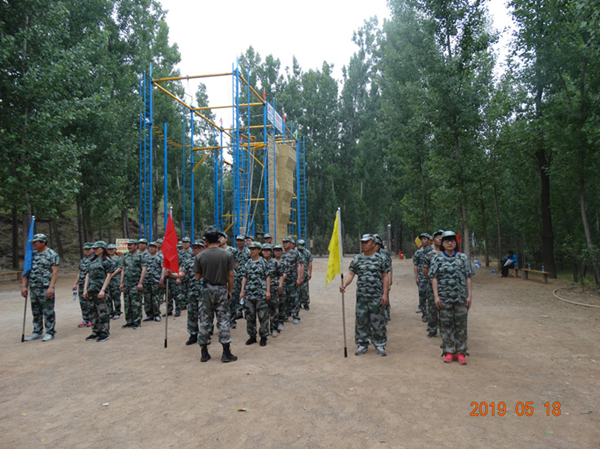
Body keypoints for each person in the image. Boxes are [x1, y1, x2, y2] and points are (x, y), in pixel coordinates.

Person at [340, 234, 390, 356]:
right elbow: (351, 273)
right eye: (362, 242)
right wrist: (344, 284)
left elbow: (385, 276)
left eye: (366, 242)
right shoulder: (357, 259)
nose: (364, 244)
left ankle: (379, 344)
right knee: (361, 320)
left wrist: (385, 294)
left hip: (376, 296)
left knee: (378, 321)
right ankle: (362, 344)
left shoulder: (381, 259)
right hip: (362, 296)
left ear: (373, 243)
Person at [430, 231, 474, 365]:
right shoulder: (437, 258)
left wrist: (469, 296)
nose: (450, 243)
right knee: (446, 326)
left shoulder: (463, 258)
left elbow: (468, 277)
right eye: (447, 241)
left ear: (456, 243)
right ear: (442, 243)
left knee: (461, 326)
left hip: (460, 297)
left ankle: (460, 352)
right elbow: (434, 278)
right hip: (444, 298)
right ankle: (448, 351)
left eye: (452, 240)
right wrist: (436, 296)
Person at [194, 226, 237, 363]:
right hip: (221, 289)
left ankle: (204, 352)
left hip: (206, 290)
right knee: (223, 320)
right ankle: (226, 352)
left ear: (205, 240)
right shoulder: (227, 255)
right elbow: (231, 275)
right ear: (218, 239)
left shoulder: (200, 256)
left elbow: (197, 276)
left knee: (205, 320)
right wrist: (229, 291)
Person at [22, 234, 60, 342]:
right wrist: (24, 286)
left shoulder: (52, 254)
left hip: (45, 286)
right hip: (34, 287)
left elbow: (55, 272)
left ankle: (50, 332)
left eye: (35, 242)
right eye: (33, 242)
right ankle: (37, 331)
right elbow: (25, 271)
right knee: (36, 311)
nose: (33, 244)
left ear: (43, 242)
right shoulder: (31, 255)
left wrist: (51, 287)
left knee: (48, 310)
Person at [240, 242, 272, 346]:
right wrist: (242, 291)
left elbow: (267, 277)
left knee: (263, 316)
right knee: (250, 316)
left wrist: (268, 291)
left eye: (254, 249)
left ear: (259, 250)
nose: (252, 251)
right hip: (249, 294)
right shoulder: (248, 263)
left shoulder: (264, 262)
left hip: (261, 294)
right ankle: (252, 336)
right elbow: (244, 277)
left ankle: (263, 336)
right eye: (250, 249)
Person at [83, 241, 114, 342]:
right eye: (94, 248)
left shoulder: (107, 261)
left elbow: (109, 275)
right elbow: (87, 275)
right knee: (92, 312)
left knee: (103, 312)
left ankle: (104, 333)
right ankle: (95, 331)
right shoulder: (92, 261)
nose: (95, 250)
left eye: (97, 248)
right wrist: (85, 289)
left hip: (101, 289)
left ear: (102, 249)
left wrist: (103, 290)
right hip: (91, 289)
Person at [120, 239, 147, 329]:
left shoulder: (141, 256)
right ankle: (129, 321)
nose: (129, 246)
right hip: (126, 284)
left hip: (135, 283)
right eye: (128, 245)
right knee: (127, 303)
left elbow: (144, 269)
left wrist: (140, 283)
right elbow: (123, 270)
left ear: (136, 246)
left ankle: (137, 322)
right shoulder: (126, 256)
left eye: (131, 245)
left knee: (136, 303)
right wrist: (121, 283)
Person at [423, 230, 444, 338]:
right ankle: (432, 328)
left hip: (446, 287)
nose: (440, 238)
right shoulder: (429, 255)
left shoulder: (448, 254)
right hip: (432, 286)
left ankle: (445, 329)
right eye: (437, 237)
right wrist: (432, 279)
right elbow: (425, 270)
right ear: (433, 240)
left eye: (442, 237)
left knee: (445, 309)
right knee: (432, 308)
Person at [261, 244, 285, 337]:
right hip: (261, 290)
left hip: (273, 289)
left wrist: (280, 285)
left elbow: (281, 275)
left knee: (274, 310)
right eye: (264, 250)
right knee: (263, 311)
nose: (266, 252)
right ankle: (264, 330)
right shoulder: (259, 262)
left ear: (270, 252)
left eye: (268, 250)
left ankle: (274, 328)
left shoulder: (275, 262)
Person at [184, 240, 205, 346]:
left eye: (198, 248)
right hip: (192, 292)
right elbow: (183, 274)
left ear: (203, 249)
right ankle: (193, 334)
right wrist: (172, 275)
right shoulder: (188, 261)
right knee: (192, 314)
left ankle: (205, 334)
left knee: (204, 315)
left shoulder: (207, 261)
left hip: (204, 292)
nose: (196, 250)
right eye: (194, 248)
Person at [281, 237, 304, 324]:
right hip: (283, 280)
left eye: (287, 242)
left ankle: (295, 316)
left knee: (294, 297)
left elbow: (300, 265)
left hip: (293, 279)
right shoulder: (281, 253)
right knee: (285, 298)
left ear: (290, 243)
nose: (285, 244)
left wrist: (299, 278)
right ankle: (286, 314)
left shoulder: (295, 253)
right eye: (284, 242)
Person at [230, 235, 250, 328]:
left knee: (247, 297)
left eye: (241, 240)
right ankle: (232, 319)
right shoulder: (234, 252)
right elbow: (233, 263)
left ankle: (248, 315)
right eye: (238, 240)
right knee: (234, 298)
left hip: (246, 277)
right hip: (236, 277)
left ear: (244, 241)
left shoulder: (248, 252)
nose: (240, 242)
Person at [72, 242, 93, 328]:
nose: (87, 251)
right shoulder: (82, 260)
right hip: (82, 284)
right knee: (83, 303)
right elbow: (79, 272)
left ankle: (92, 319)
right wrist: (75, 283)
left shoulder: (96, 259)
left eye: (89, 249)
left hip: (91, 284)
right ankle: (85, 319)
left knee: (91, 302)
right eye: (85, 249)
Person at [413, 233, 432, 322]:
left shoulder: (433, 251)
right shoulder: (418, 252)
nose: (423, 240)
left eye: (425, 239)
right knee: (422, 295)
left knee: (431, 296)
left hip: (432, 276)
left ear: (429, 240)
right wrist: (416, 277)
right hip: (422, 277)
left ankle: (432, 314)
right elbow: (415, 265)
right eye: (422, 239)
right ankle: (424, 313)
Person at [142, 242, 163, 322]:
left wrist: (162, 279)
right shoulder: (145, 256)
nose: (151, 248)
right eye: (150, 247)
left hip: (156, 280)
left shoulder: (160, 257)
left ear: (156, 248)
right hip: (146, 280)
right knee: (147, 298)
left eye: (153, 247)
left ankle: (156, 314)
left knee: (155, 298)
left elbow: (163, 268)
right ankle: (149, 314)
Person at [374, 235, 392, 322]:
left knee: (385, 295)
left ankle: (386, 312)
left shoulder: (384, 254)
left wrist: (390, 280)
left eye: (377, 244)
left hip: (383, 279)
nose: (375, 246)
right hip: (374, 281)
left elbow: (389, 268)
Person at [106, 243, 123, 319]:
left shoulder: (118, 258)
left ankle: (117, 312)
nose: (111, 251)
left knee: (116, 297)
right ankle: (110, 312)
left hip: (115, 280)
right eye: (109, 249)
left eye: (112, 249)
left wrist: (111, 275)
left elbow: (120, 268)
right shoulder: (106, 258)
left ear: (115, 250)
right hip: (107, 281)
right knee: (108, 297)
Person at [273, 244, 287, 332]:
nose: (277, 252)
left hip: (282, 285)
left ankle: (281, 321)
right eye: (276, 250)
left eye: (279, 250)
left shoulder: (284, 262)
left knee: (282, 304)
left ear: (281, 252)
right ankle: (274, 323)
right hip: (272, 286)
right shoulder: (270, 262)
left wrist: (279, 282)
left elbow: (285, 273)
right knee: (273, 305)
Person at [178, 236, 194, 311]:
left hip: (190, 274)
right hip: (182, 273)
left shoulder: (192, 252)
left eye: (186, 242)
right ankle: (183, 304)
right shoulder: (180, 252)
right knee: (182, 289)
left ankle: (190, 304)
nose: (185, 244)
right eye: (183, 242)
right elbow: (178, 264)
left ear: (189, 243)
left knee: (190, 289)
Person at [297, 239, 313, 311]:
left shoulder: (307, 252)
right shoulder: (294, 252)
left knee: (305, 289)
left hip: (305, 274)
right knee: (297, 289)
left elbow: (310, 263)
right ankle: (298, 303)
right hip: (296, 274)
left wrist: (310, 273)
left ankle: (306, 303)